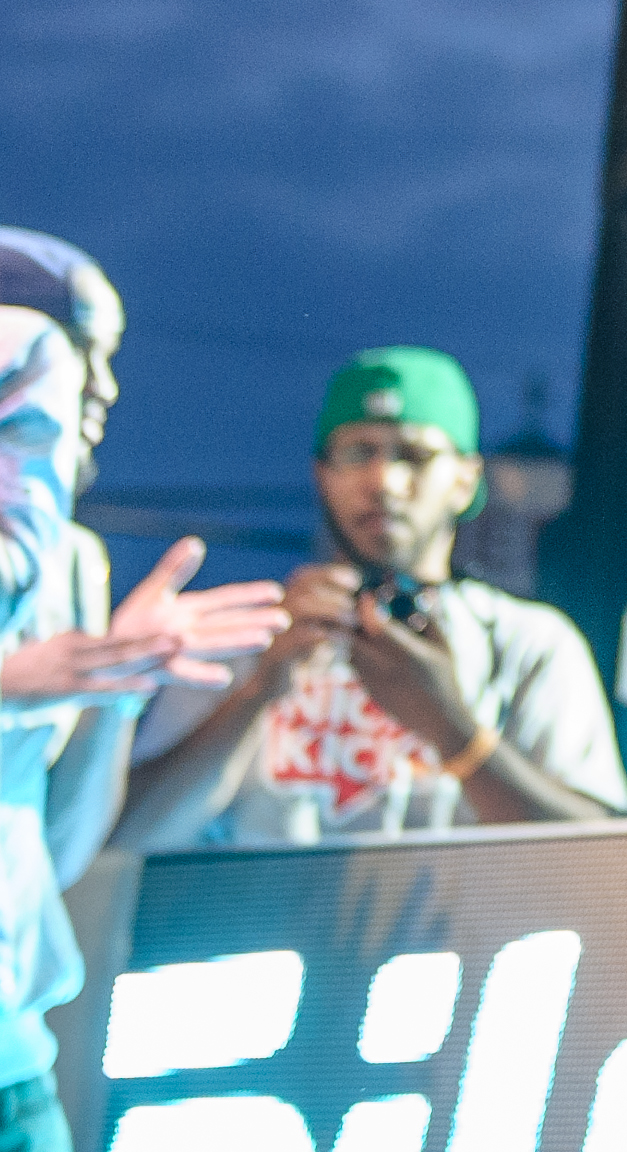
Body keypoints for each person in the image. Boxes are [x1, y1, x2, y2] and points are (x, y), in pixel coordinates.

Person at [0, 234, 281, 1152]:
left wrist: (118, 687)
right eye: (86, 349)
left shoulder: (71, 563)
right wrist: (21, 681)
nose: (104, 392)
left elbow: (57, 850)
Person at [119, 346, 627, 847]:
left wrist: (453, 729)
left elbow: (597, 858)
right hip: (254, 928)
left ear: (466, 480)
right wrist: (261, 688)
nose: (383, 482)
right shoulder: (245, 635)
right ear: (322, 474)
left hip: (460, 932)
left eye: (415, 456)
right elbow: (122, 839)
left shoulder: (528, 643)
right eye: (359, 453)